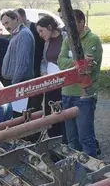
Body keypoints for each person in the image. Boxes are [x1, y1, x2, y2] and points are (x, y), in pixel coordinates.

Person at [58, 9, 102, 158]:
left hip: (84, 95)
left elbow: (89, 68)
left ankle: (91, 176)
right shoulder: (66, 40)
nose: (67, 28)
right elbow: (60, 62)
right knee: (72, 140)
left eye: (71, 24)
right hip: (67, 94)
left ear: (82, 22)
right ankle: (76, 173)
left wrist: (80, 66)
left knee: (86, 138)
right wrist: (78, 63)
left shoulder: (92, 40)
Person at [36, 15, 67, 142]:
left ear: (50, 27)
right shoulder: (47, 42)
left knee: (65, 116)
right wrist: (43, 72)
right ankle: (55, 145)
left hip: (65, 84)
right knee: (52, 115)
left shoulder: (66, 38)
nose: (40, 34)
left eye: (41, 31)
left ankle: (67, 143)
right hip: (50, 84)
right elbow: (44, 61)